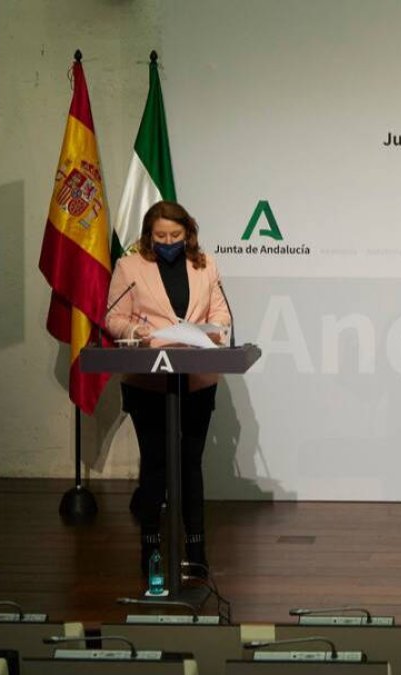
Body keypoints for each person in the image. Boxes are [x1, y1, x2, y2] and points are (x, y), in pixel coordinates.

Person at [105, 201, 231, 578]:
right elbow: (113, 316)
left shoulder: (205, 265)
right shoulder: (129, 267)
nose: (168, 242)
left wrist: (214, 330)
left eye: (175, 235)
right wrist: (134, 332)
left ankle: (196, 551)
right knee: (156, 463)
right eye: (160, 236)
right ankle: (151, 551)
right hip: (148, 380)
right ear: (149, 235)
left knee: (190, 463)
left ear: (188, 234)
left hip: (195, 379)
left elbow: (221, 314)